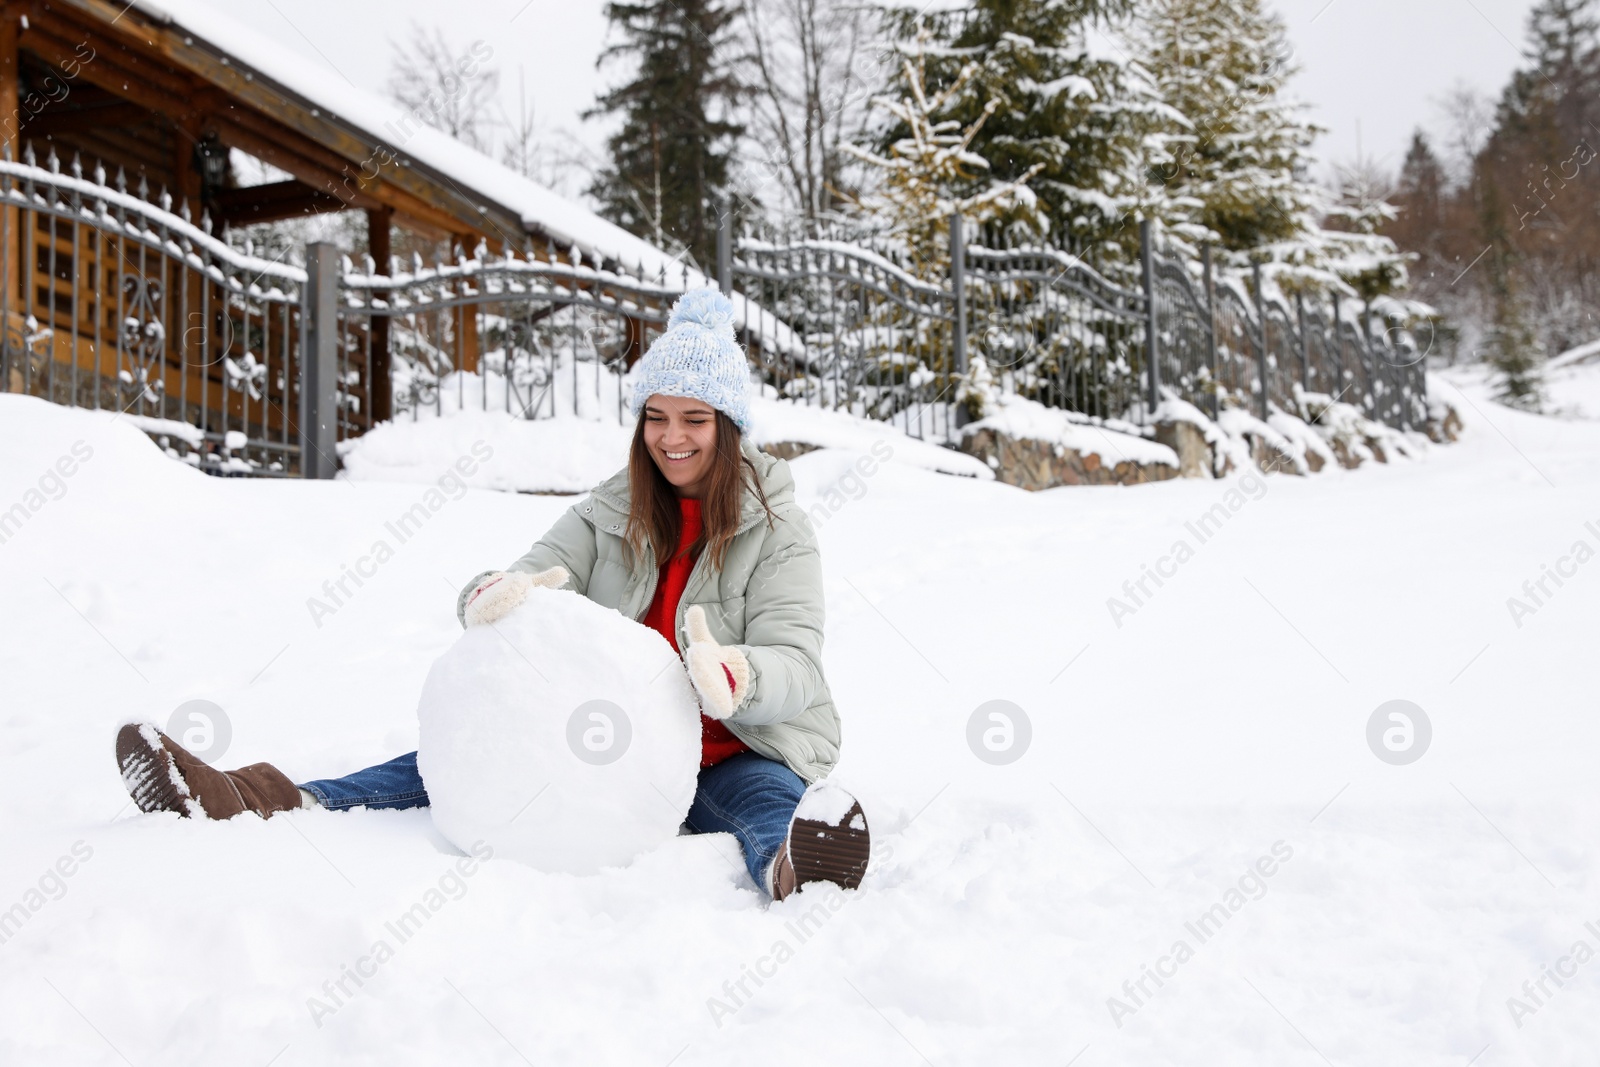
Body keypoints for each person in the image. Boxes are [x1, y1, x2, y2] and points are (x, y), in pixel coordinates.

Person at [113, 288, 869, 901]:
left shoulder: (779, 529)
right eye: (656, 417)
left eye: (694, 419)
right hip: (613, 747)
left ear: (729, 426)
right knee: (438, 762)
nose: (672, 438)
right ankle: (247, 797)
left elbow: (797, 663)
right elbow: (521, 575)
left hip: (737, 747)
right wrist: (492, 594)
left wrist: (736, 675)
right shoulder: (609, 511)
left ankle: (797, 868)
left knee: (767, 799)